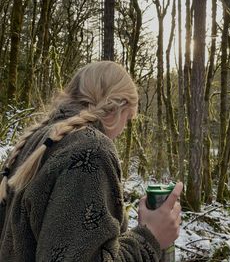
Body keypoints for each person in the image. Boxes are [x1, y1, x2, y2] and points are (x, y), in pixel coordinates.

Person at [0, 61, 182, 261]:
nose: (122, 131)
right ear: (118, 107)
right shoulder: (91, 149)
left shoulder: (39, 142)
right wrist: (150, 238)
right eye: (128, 118)